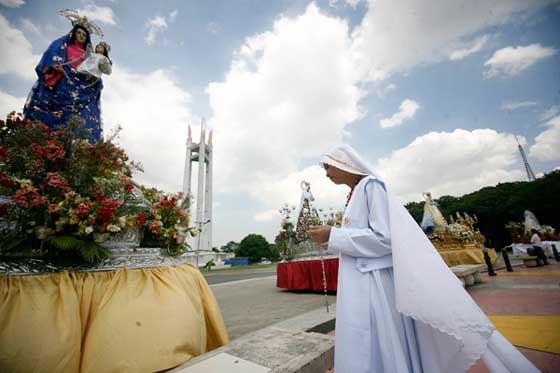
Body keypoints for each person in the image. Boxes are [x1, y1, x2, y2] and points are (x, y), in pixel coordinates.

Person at [308, 144, 539, 373]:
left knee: (379, 338)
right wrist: (330, 239)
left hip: (375, 282)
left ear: (345, 163)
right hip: (362, 279)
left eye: (329, 167)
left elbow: (385, 238)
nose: (327, 174)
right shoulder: (355, 193)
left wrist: (333, 234)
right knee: (368, 338)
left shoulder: (371, 187)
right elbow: (359, 237)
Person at [23, 21, 105, 143]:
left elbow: (94, 70)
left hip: (79, 88)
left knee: (76, 116)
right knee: (51, 111)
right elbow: (52, 54)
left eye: (84, 34)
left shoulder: (89, 55)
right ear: (73, 33)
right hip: (61, 83)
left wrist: (95, 78)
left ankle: (69, 145)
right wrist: (55, 64)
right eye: (79, 32)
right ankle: (43, 140)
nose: (81, 36)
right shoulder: (64, 46)